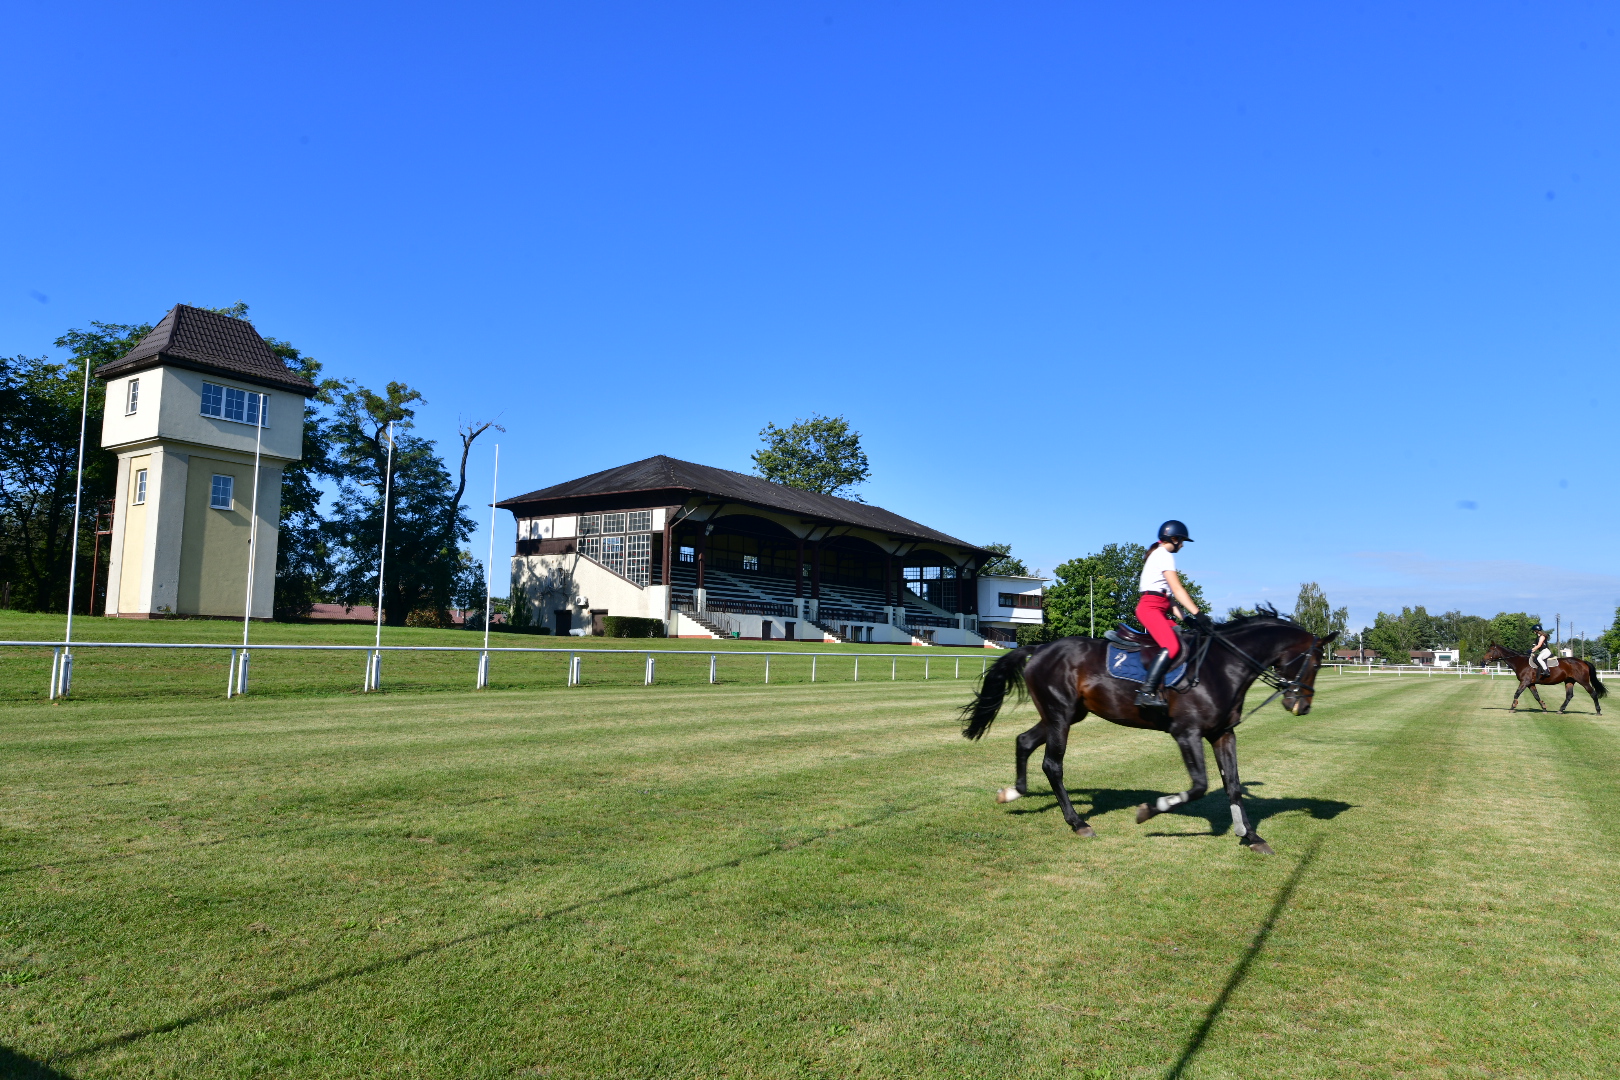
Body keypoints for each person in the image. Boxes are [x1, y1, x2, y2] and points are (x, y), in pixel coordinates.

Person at [1135, 520, 1201, 709]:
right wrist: (1199, 614)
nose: (1181, 545)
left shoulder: (1159, 554)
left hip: (1160, 608)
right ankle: (1146, 692)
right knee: (1171, 645)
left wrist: (1188, 619)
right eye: (1181, 541)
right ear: (1173, 538)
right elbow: (1178, 589)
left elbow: (1171, 601)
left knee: (1183, 637)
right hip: (1150, 608)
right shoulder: (1164, 554)